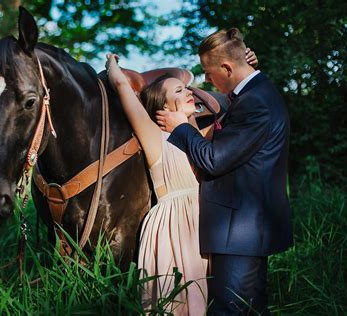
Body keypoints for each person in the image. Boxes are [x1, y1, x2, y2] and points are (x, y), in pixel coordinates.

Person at [105, 47, 258, 315]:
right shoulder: (154, 136)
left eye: (187, 89)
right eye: (179, 91)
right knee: (179, 303)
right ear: (162, 106)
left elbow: (241, 108)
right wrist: (111, 65)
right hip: (174, 227)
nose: (189, 92)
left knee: (211, 301)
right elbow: (121, 88)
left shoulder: (202, 135)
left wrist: (244, 66)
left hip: (206, 226)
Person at [156, 28, 293, 315]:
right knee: (251, 308)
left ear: (227, 67)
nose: (205, 80)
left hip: (240, 229)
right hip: (248, 228)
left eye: (208, 71)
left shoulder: (255, 104)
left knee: (228, 310)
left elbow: (214, 159)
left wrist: (179, 126)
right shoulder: (256, 92)